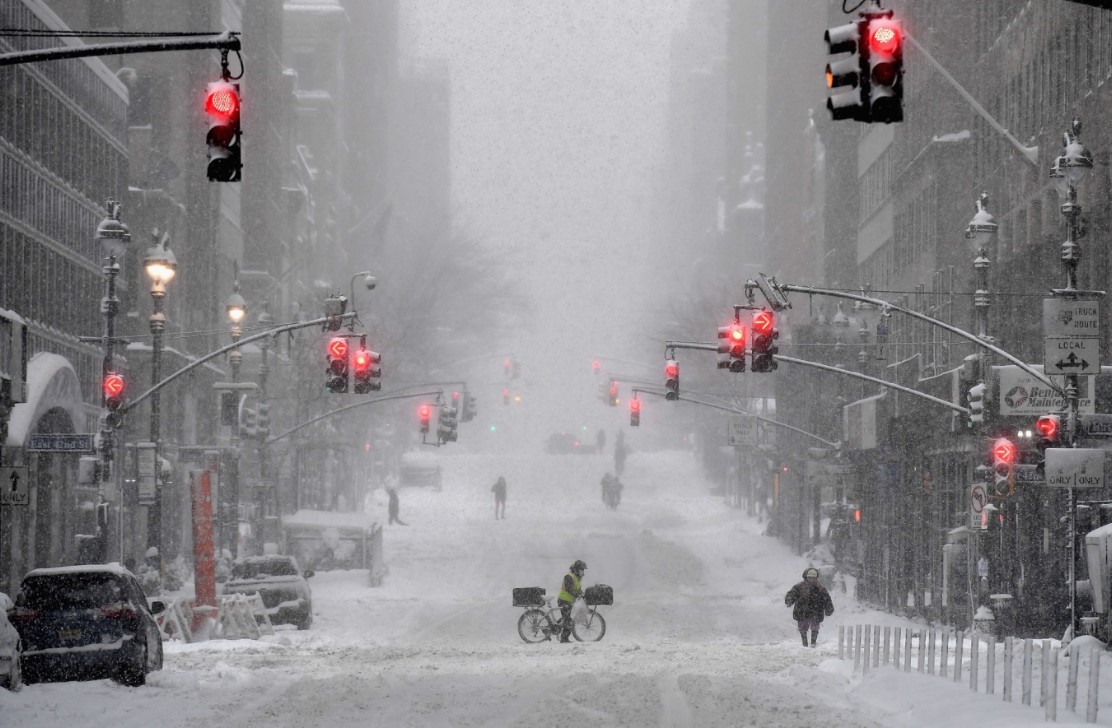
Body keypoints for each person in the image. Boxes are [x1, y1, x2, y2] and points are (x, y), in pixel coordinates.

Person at [785, 567, 834, 647]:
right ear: (806, 577)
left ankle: (813, 642)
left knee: (815, 626)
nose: (812, 580)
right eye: (810, 578)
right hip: (802, 610)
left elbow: (826, 599)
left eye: (813, 578)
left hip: (816, 611)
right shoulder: (799, 587)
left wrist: (829, 608)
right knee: (802, 626)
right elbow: (792, 594)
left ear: (816, 578)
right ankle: (804, 643)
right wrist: (789, 600)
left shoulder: (820, 588)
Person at [556, 560, 587, 643]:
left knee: (568, 618)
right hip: (563, 600)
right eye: (582, 570)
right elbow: (569, 588)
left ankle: (559, 626)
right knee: (568, 620)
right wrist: (577, 595)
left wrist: (582, 594)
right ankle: (564, 638)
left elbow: (578, 589)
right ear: (577, 569)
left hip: (569, 601)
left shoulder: (577, 578)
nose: (583, 572)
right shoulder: (569, 576)